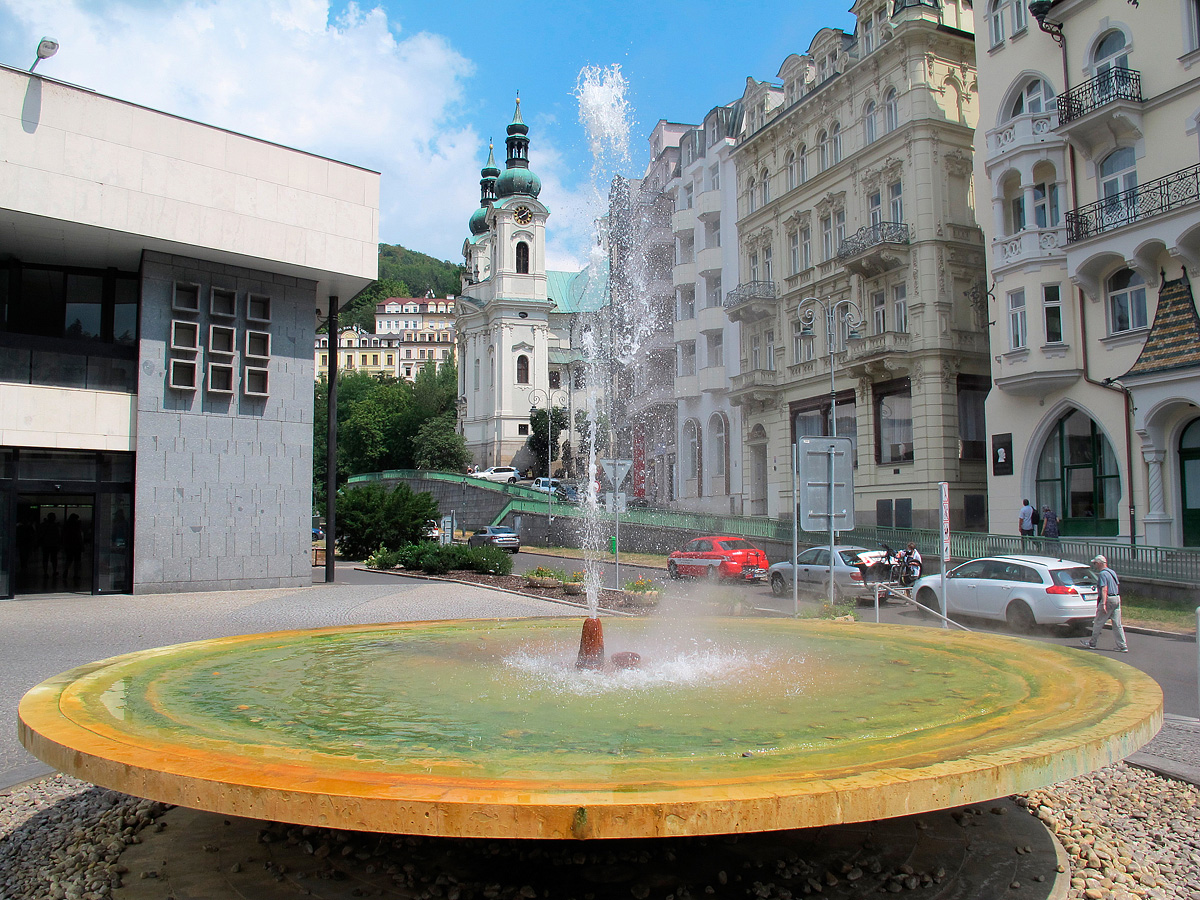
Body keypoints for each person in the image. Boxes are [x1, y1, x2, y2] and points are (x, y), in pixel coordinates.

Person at [1081, 555, 1128, 652]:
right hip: (1116, 598)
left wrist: (1103, 603)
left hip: (1108, 599)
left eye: (1095, 563)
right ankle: (1122, 645)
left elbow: (1104, 589)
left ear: (1099, 563)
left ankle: (1092, 643)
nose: (1094, 565)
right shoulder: (1112, 572)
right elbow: (1116, 585)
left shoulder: (1103, 574)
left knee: (1098, 622)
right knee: (1117, 624)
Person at [62, 513, 85, 583]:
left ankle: (66, 570)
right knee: (77, 561)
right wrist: (82, 545)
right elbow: (79, 536)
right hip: (76, 545)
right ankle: (75, 574)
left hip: (69, 545)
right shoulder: (77, 527)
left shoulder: (67, 526)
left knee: (69, 559)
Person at [38, 512, 61, 579]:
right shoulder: (55, 526)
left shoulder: (43, 525)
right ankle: (54, 571)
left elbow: (39, 534)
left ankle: (45, 572)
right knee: (54, 559)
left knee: (45, 559)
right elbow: (58, 536)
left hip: (45, 544)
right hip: (53, 545)